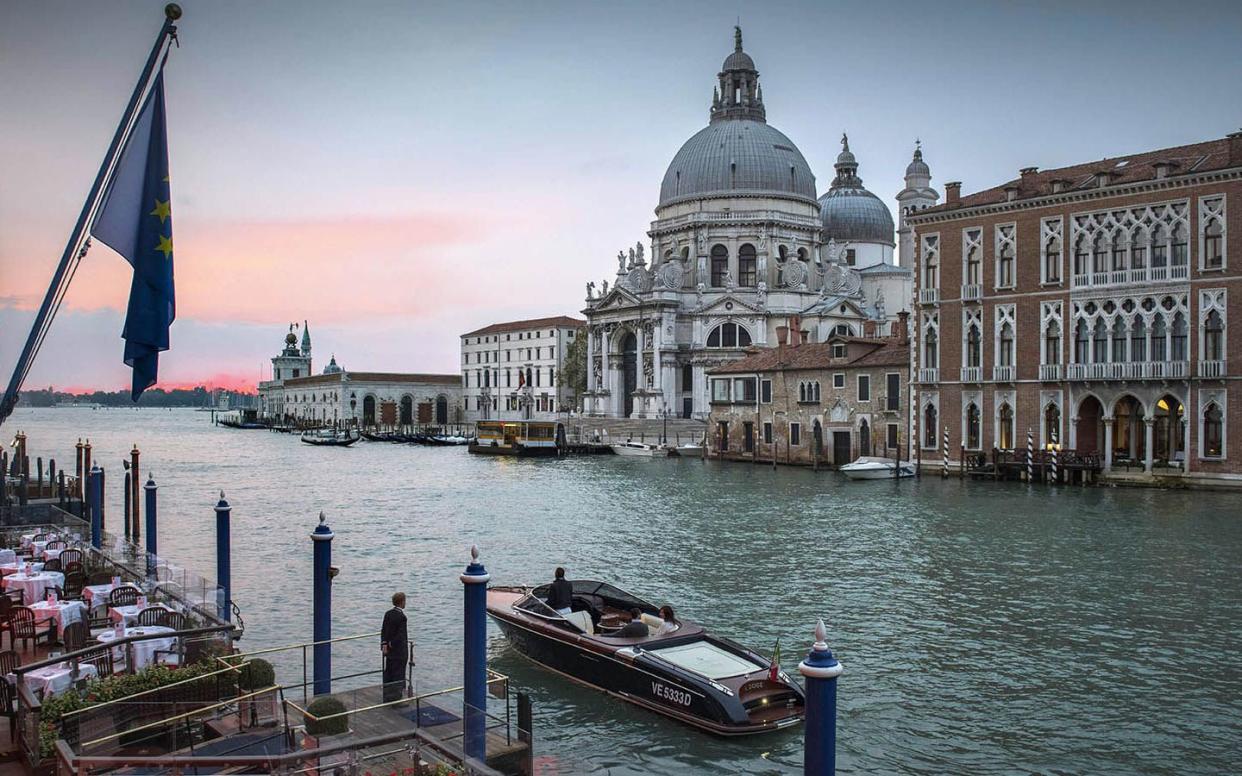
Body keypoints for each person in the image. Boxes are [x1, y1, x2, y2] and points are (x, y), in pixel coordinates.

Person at [381, 592, 409, 702]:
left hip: (389, 651)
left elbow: (384, 630)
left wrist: (384, 644)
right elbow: (401, 635)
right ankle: (397, 699)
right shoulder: (402, 617)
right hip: (399, 651)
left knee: (389, 672)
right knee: (399, 674)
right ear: (402, 602)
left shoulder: (388, 614)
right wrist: (392, 644)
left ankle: (387, 695)